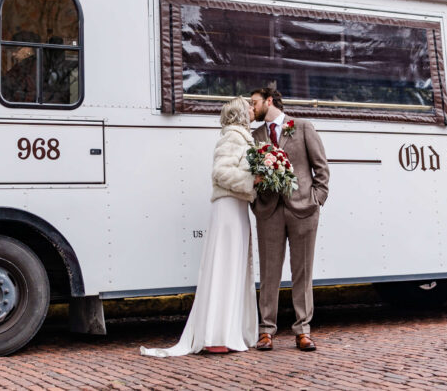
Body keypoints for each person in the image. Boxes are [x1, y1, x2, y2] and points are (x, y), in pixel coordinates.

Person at [140, 96, 259, 357]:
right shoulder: (232, 137)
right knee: (224, 266)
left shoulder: (242, 137)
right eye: (249, 106)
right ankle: (216, 334)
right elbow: (220, 172)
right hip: (228, 207)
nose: (253, 109)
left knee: (235, 266)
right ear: (239, 113)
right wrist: (253, 179)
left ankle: (230, 329)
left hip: (236, 206)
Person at [250, 87, 330, 352]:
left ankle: (303, 330)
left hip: (304, 210)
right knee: (269, 273)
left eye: (255, 103)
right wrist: (255, 201)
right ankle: (266, 331)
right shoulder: (255, 135)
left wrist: (317, 198)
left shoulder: (303, 127)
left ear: (269, 101)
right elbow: (248, 172)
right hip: (268, 211)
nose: (252, 108)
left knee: (302, 272)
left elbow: (321, 167)